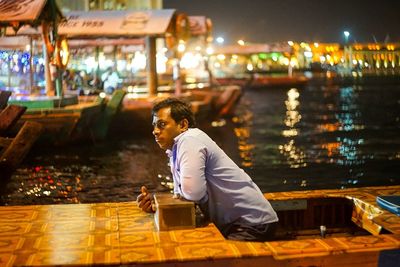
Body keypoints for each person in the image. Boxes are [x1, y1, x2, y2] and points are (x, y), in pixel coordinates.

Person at [137, 98, 278, 241]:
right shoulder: (177, 149)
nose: (155, 131)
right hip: (239, 223)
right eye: (154, 125)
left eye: (162, 124)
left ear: (183, 124)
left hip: (253, 224)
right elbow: (183, 195)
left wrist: (165, 202)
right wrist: (155, 206)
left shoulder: (189, 140)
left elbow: (193, 193)